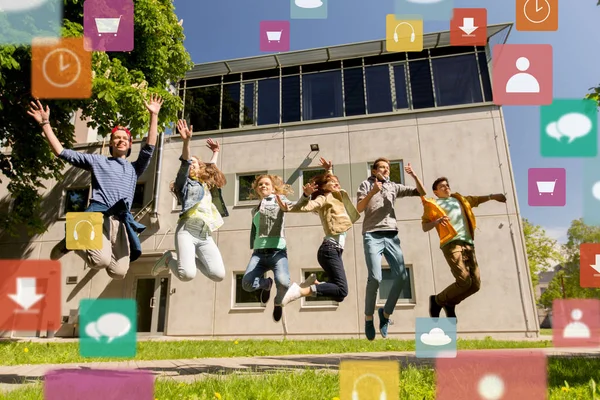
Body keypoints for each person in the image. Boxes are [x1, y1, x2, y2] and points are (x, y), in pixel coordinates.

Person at [27, 95, 163, 279]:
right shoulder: (98, 161)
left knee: (119, 272)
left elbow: (149, 148)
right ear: (111, 143)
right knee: (100, 261)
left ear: (130, 144)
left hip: (122, 221)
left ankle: (76, 241)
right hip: (99, 217)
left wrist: (153, 115)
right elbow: (62, 152)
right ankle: (72, 241)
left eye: (125, 138)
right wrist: (45, 124)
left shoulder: (134, 168)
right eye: (116, 138)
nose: (121, 140)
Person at [356, 158, 426, 341]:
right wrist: (373, 191)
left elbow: (421, 192)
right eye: (383, 168)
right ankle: (368, 318)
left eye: (388, 168)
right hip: (372, 234)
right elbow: (359, 208)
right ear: (374, 170)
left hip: (392, 235)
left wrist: (414, 175)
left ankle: (385, 315)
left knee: (402, 276)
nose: (386, 170)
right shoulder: (365, 184)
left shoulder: (393, 186)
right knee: (375, 278)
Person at [151, 120, 228, 283]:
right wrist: (186, 142)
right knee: (187, 274)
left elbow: (211, 168)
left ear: (200, 168)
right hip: (187, 229)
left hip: (205, 233)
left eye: (195, 163)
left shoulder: (205, 184)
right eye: (190, 163)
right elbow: (184, 163)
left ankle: (186, 258)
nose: (191, 164)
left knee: (218, 275)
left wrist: (215, 152)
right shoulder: (183, 184)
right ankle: (168, 260)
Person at [421, 176, 506, 321]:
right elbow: (425, 226)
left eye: (447, 185)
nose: (446, 187)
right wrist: (436, 221)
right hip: (451, 243)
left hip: (468, 244)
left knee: (475, 285)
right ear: (435, 192)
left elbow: (477, 199)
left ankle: (450, 303)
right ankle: (437, 301)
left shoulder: (460, 200)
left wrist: (492, 197)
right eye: (442, 186)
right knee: (464, 281)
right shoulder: (433, 204)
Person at [278, 158, 360, 307]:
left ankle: (315, 282)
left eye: (338, 181)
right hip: (330, 250)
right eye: (332, 182)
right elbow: (307, 206)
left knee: (339, 295)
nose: (337, 184)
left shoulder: (335, 195)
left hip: (334, 251)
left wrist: (329, 170)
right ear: (323, 187)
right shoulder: (323, 198)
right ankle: (300, 291)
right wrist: (303, 196)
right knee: (342, 290)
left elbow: (331, 183)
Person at [242, 173, 315, 323]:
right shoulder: (255, 209)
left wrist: (306, 195)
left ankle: (278, 302)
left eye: (266, 184)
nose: (263, 186)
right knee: (247, 284)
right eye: (260, 184)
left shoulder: (279, 200)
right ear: (257, 189)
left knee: (283, 283)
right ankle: (266, 284)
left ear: (273, 188)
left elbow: (296, 206)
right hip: (259, 254)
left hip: (277, 252)